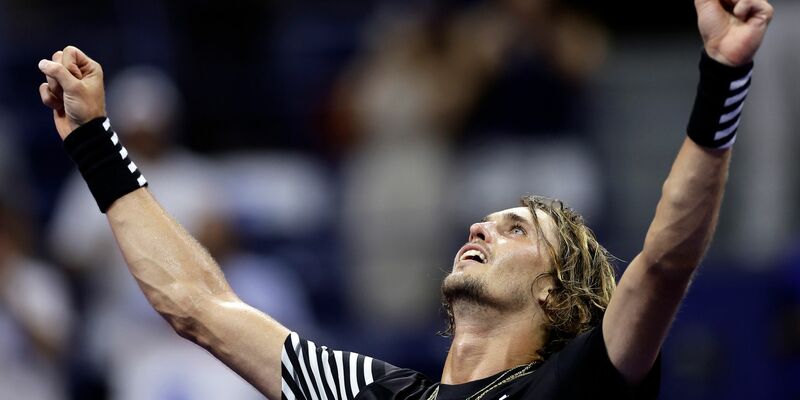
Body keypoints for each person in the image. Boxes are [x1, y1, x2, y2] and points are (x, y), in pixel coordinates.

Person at [36, 0, 773, 398]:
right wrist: (96, 143)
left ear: (557, 295)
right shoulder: (370, 395)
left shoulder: (578, 386)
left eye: (518, 230)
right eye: (495, 217)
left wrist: (722, 81)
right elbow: (195, 305)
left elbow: (668, 259)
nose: (484, 223)